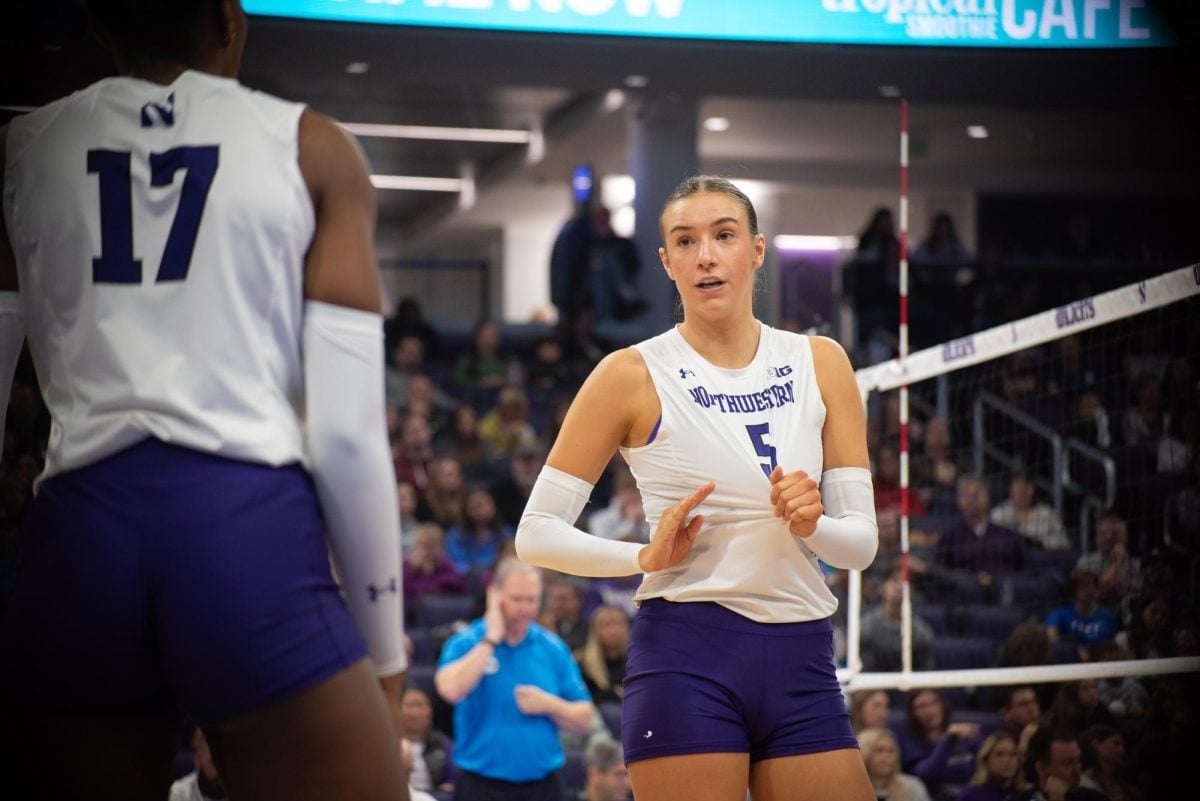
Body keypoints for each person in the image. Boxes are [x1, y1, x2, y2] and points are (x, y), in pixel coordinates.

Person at [0, 2, 408, 799]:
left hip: (79, 539)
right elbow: (351, 436)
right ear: (230, 20)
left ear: (107, 27)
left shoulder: (21, 148)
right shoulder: (312, 146)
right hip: (243, 531)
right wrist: (386, 663)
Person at [516, 175, 878, 801]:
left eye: (724, 235)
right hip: (688, 655)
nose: (706, 254)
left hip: (803, 656)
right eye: (686, 241)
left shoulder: (822, 362)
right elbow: (535, 534)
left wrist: (813, 525)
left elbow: (861, 547)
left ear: (756, 251)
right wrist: (642, 557)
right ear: (667, 263)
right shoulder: (629, 373)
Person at [435, 558, 595, 801]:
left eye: (531, 600)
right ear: (495, 595)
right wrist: (491, 639)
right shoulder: (466, 642)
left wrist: (549, 704)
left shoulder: (552, 647)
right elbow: (449, 690)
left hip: (542, 786)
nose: (524, 608)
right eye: (516, 599)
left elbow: (585, 719)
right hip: (480, 785)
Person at [936, 476, 1027, 598]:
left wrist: (995, 579)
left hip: (1005, 597)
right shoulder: (950, 537)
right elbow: (940, 572)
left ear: (987, 498)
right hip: (965, 599)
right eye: (966, 495)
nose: (971, 500)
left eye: (976, 494)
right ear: (959, 501)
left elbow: (1023, 571)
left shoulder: (1006, 536)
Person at [898, 689, 983, 801]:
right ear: (913, 713)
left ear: (943, 705)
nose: (928, 711)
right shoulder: (910, 742)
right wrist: (947, 740)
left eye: (933, 703)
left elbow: (984, 769)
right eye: (921, 706)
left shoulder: (965, 736)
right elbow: (926, 773)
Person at [860, 562, 937, 672]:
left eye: (905, 582)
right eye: (894, 580)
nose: (899, 586)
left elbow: (927, 678)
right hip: (875, 686)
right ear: (883, 587)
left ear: (913, 591)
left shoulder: (922, 633)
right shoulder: (865, 628)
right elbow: (864, 678)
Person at [1043, 570, 1117, 658]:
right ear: (1074, 591)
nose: (1089, 590)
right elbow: (1051, 636)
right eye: (1084, 587)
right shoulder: (1060, 614)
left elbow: (1114, 642)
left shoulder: (1107, 616)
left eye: (1092, 586)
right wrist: (1074, 648)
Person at [990, 471, 1070, 552]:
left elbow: (1063, 544)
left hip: (1042, 559)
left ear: (1034, 489)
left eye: (1027, 486)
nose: (1022, 491)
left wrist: (1037, 544)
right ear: (1010, 489)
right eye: (1018, 485)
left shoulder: (1047, 513)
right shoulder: (998, 514)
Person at [400, 686, 454, 795]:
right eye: (409, 706)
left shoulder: (443, 743)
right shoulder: (388, 745)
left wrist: (451, 784)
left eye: (420, 706)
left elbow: (455, 777)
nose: (415, 713)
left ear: (430, 712)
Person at [575, 604, 631, 704]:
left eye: (618, 624)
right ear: (596, 630)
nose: (613, 631)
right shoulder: (583, 662)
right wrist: (613, 694)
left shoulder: (634, 660)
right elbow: (581, 697)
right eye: (607, 625)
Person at [858, 727, 933, 801]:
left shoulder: (912, 788)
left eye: (891, 751)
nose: (886, 757)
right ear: (865, 754)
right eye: (879, 751)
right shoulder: (853, 789)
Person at [956, 731, 1021, 801]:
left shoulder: (1024, 793)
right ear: (986, 760)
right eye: (999, 754)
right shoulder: (971, 795)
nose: (1007, 760)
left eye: (1013, 754)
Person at [169, 728, 226, 801]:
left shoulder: (242, 789)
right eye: (213, 763)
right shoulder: (179, 793)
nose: (221, 770)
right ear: (197, 758)